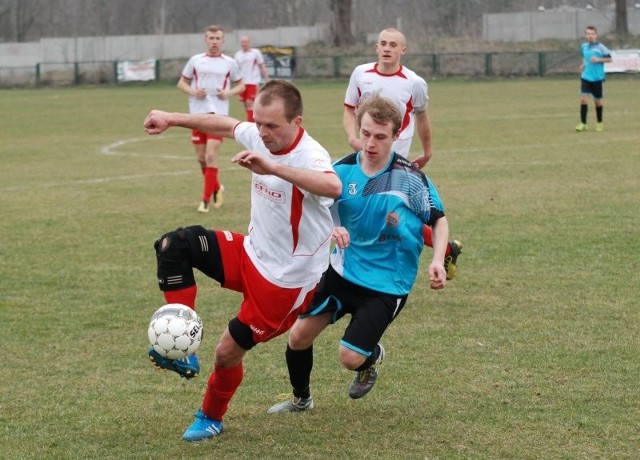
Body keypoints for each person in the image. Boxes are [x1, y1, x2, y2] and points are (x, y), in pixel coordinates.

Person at [143, 80, 342, 442]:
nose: (262, 133)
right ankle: (183, 347)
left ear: (297, 121)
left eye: (272, 126)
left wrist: (273, 168)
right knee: (175, 245)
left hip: (285, 283)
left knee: (225, 354)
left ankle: (210, 417)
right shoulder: (260, 135)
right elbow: (224, 124)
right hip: (250, 253)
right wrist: (172, 117)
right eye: (259, 123)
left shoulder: (310, 155)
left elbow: (333, 187)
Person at [267, 95, 449, 413]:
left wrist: (437, 260)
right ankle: (301, 399)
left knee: (349, 357)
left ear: (397, 134)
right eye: (365, 133)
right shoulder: (341, 170)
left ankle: (371, 357)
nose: (370, 143)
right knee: (297, 337)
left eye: (380, 136)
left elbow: (439, 221)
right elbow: (317, 211)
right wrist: (330, 231)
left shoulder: (409, 178)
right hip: (341, 272)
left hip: (387, 283)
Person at [343, 27, 462, 279]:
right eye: (383, 43)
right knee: (389, 213)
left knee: (385, 211)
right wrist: (353, 137)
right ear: (376, 47)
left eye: (393, 45)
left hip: (397, 159)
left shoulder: (414, 82)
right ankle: (447, 248)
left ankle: (379, 267)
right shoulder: (360, 74)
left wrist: (428, 151)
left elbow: (422, 118)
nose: (387, 48)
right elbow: (349, 109)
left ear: (402, 50)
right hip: (367, 153)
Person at [177, 24, 245, 213]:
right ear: (205, 40)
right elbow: (181, 83)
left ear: (222, 41)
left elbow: (242, 85)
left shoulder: (229, 62)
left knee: (210, 156)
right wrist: (193, 91)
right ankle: (216, 187)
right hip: (197, 116)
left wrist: (228, 92)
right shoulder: (195, 61)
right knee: (201, 159)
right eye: (211, 38)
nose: (214, 42)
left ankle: (205, 201)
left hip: (219, 116)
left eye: (218, 39)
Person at [575, 25, 612, 132]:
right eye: (588, 34)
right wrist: (583, 65)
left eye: (592, 34)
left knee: (597, 102)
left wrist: (598, 59)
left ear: (595, 35)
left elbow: (610, 59)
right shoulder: (584, 46)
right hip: (586, 77)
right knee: (583, 100)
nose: (590, 36)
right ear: (585, 35)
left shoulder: (601, 47)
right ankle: (583, 124)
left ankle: (599, 122)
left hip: (597, 78)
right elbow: (585, 57)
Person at [234, 36, 270, 122]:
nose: (244, 44)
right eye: (242, 42)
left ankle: (251, 125)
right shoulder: (238, 55)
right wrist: (237, 87)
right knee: (246, 105)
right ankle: (255, 121)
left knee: (249, 103)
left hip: (253, 82)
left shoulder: (255, 53)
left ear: (249, 42)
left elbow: (262, 66)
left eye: (246, 42)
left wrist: (267, 80)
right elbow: (236, 72)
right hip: (242, 84)